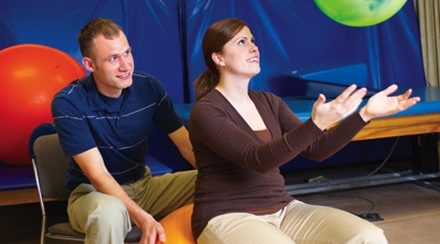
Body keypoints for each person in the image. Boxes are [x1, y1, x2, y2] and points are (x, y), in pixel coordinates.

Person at [189, 18, 420, 244]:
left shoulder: (269, 101)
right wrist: (316, 124)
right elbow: (257, 159)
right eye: (241, 42)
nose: (254, 47)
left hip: (283, 209)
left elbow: (317, 150)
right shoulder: (206, 111)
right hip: (228, 216)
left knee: (368, 237)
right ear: (218, 58)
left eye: (253, 40)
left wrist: (365, 115)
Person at [51, 18, 196, 244]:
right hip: (94, 195)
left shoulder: (149, 87)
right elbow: (98, 176)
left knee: (216, 179)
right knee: (110, 213)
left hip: (144, 186)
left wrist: (223, 177)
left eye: (127, 53)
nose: (125, 65)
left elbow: (187, 146)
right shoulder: (68, 102)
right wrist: (143, 218)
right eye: (113, 59)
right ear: (90, 65)